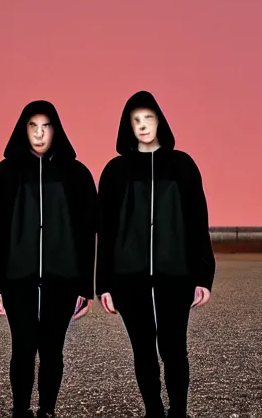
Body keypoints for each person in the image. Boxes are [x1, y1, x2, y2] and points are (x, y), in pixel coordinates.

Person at [96, 91, 215, 418]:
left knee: (174, 347)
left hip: (176, 274)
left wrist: (204, 276)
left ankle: (178, 411)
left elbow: (197, 222)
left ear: (160, 120)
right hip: (127, 276)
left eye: (149, 118)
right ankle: (154, 411)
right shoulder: (115, 171)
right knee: (143, 348)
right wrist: (103, 283)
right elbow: (104, 232)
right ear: (127, 125)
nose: (143, 125)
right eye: (136, 120)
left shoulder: (183, 165)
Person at [0, 100, 97, 418]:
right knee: (23, 348)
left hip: (64, 279)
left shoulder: (78, 175)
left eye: (46, 126)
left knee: (52, 351)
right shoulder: (4, 174)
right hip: (17, 279)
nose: (40, 133)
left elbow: (88, 235)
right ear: (24, 129)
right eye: (33, 126)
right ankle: (20, 410)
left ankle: (46, 411)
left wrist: (87, 286)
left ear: (56, 129)